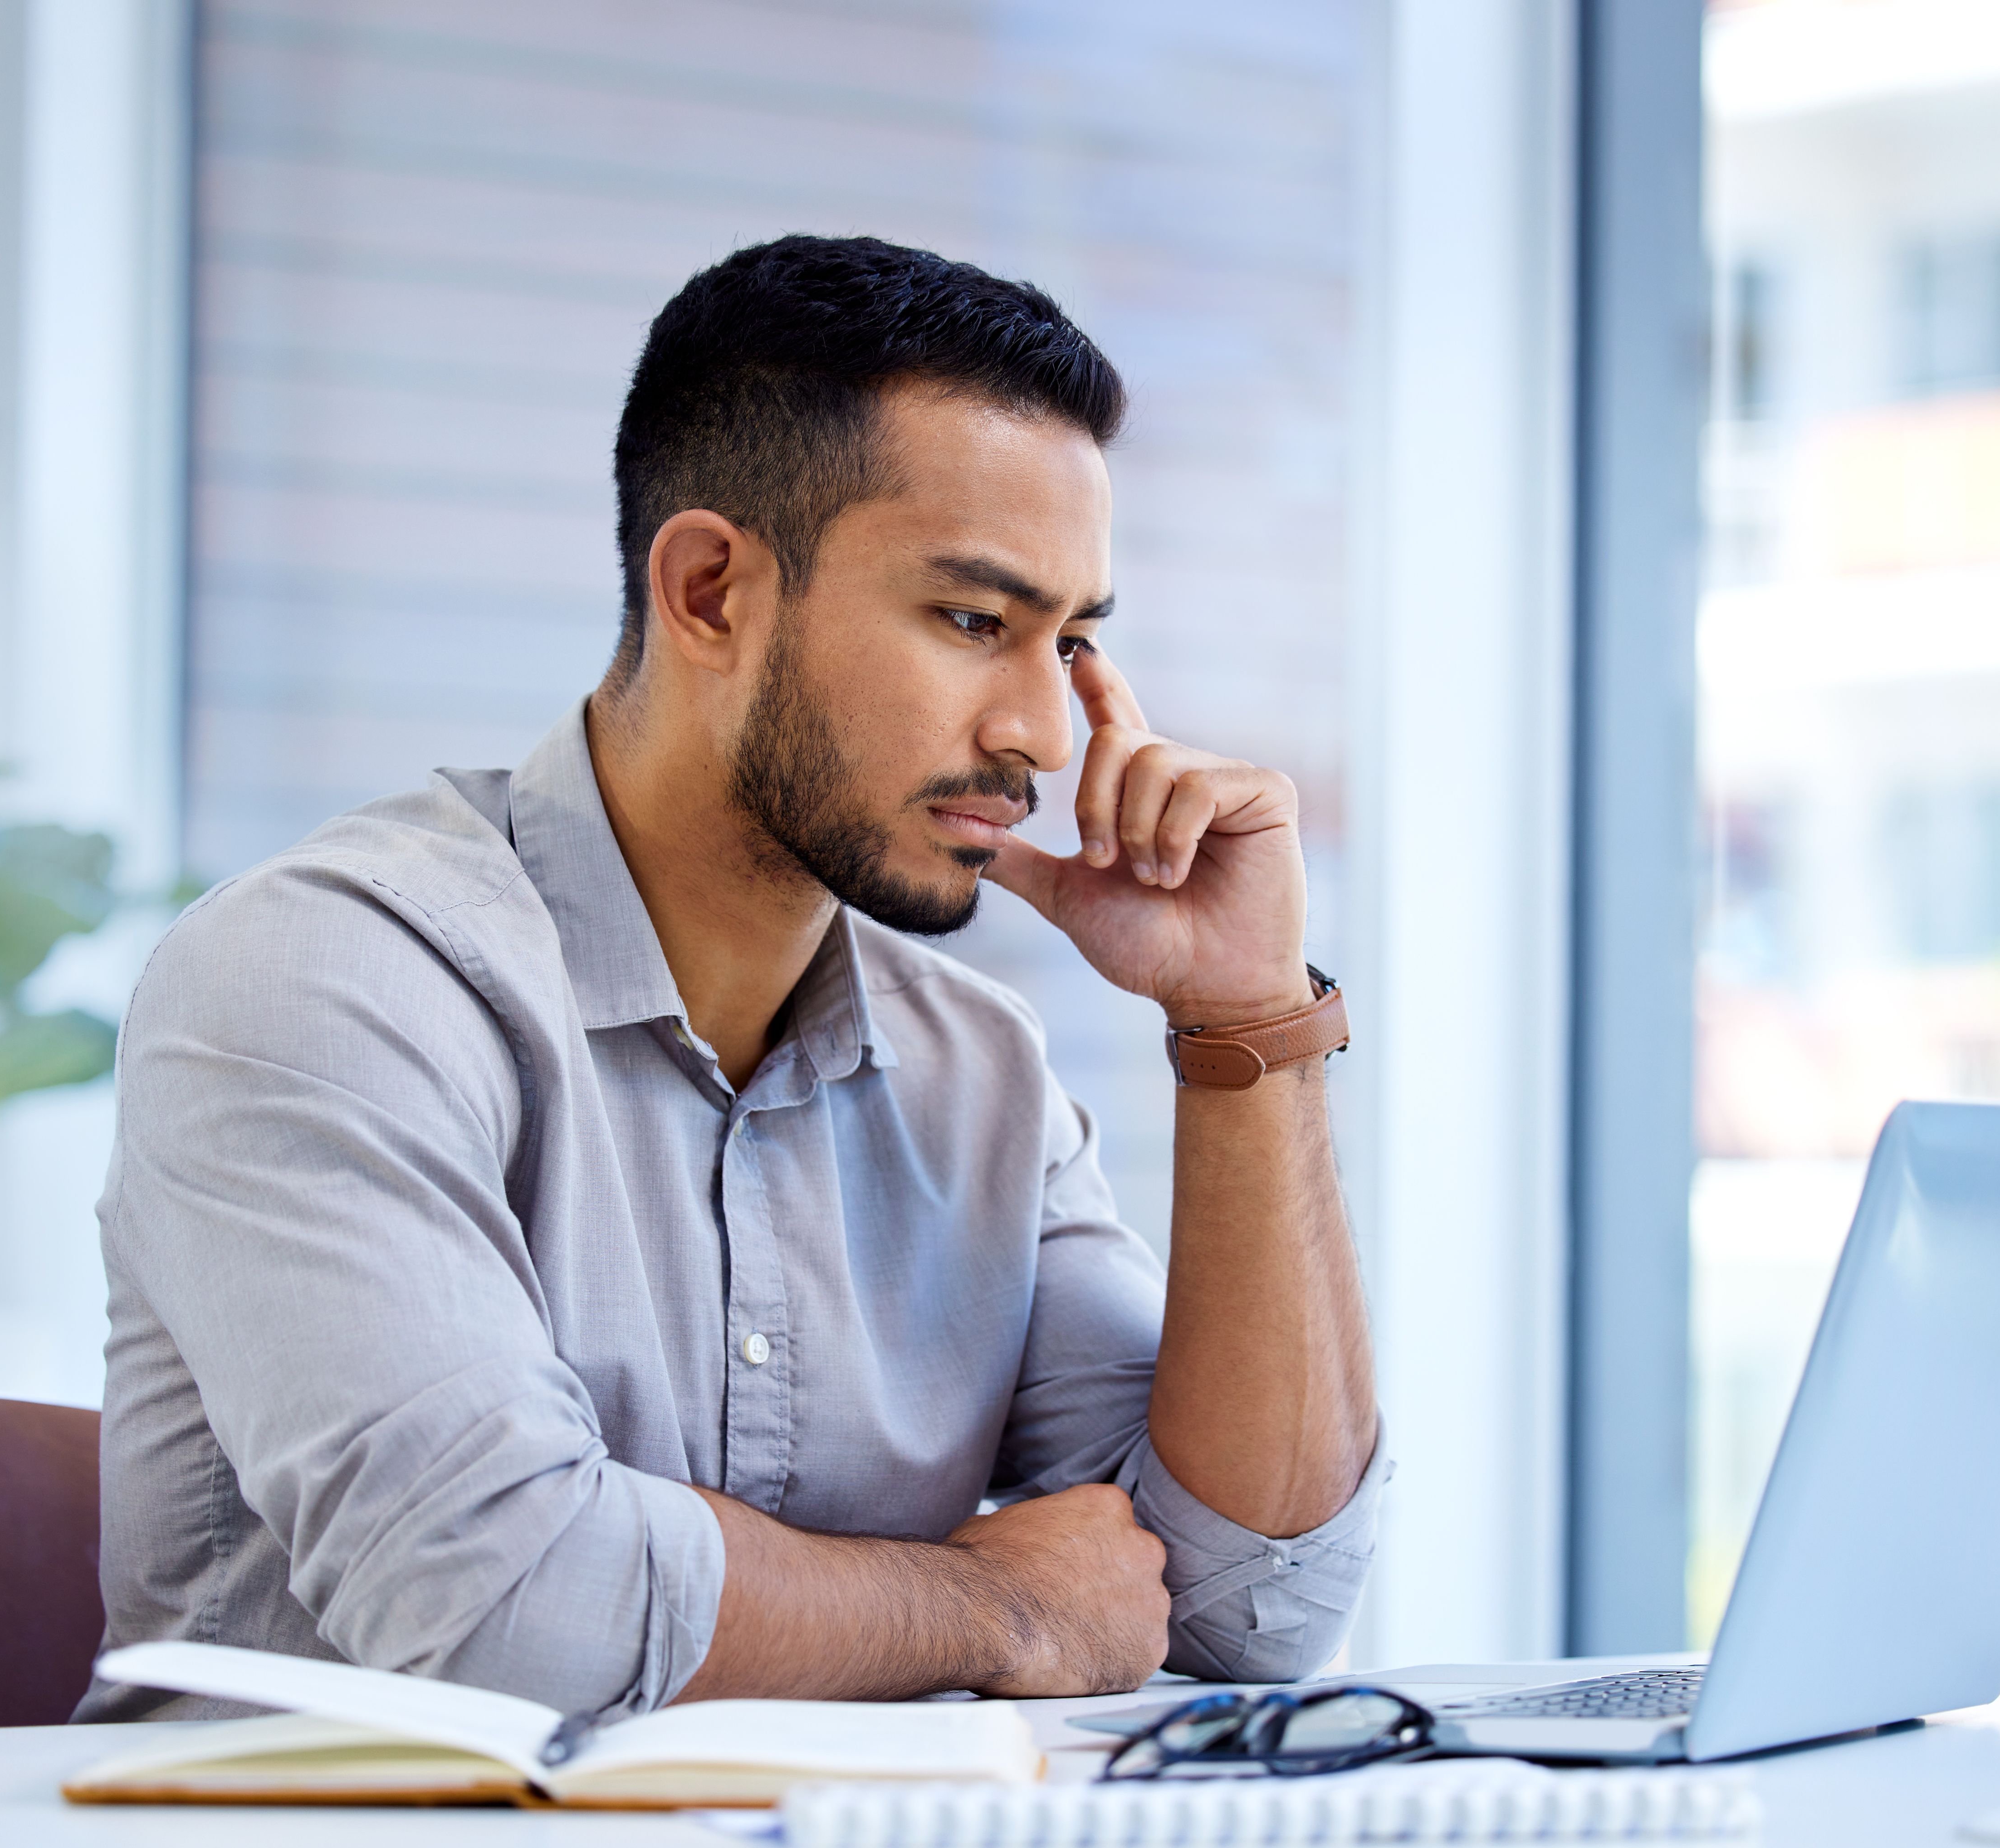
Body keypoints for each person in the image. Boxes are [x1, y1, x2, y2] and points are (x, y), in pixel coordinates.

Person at [77, 235, 1384, 1724]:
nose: (1042, 729)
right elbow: (500, 1606)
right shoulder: (325, 985)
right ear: (709, 590)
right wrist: (998, 1602)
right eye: (975, 622)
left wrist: (1248, 1024)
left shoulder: (981, 1073)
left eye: (1072, 641)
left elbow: (1248, 1606)